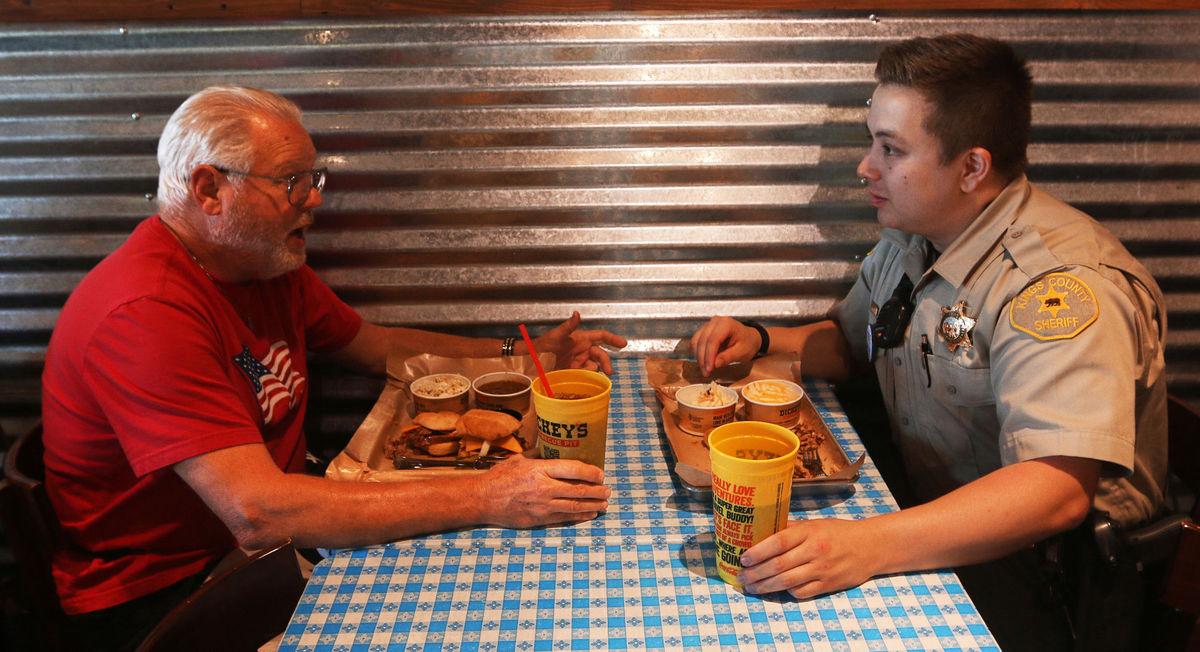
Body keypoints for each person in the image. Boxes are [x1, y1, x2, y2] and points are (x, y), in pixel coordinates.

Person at [40, 85, 626, 651]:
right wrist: (488, 495)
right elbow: (258, 512)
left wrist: (529, 354)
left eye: (312, 179)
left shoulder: (264, 266)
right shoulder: (145, 312)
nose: (315, 199)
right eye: (292, 181)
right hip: (177, 595)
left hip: (272, 544)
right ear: (209, 189)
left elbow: (376, 346)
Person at [690, 34, 1166, 650]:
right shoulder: (915, 235)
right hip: (931, 524)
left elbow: (1055, 492)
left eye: (891, 149)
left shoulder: (1059, 289)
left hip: (1048, 579)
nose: (865, 167)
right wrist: (758, 338)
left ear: (971, 167)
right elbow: (854, 342)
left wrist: (866, 544)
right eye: (872, 142)